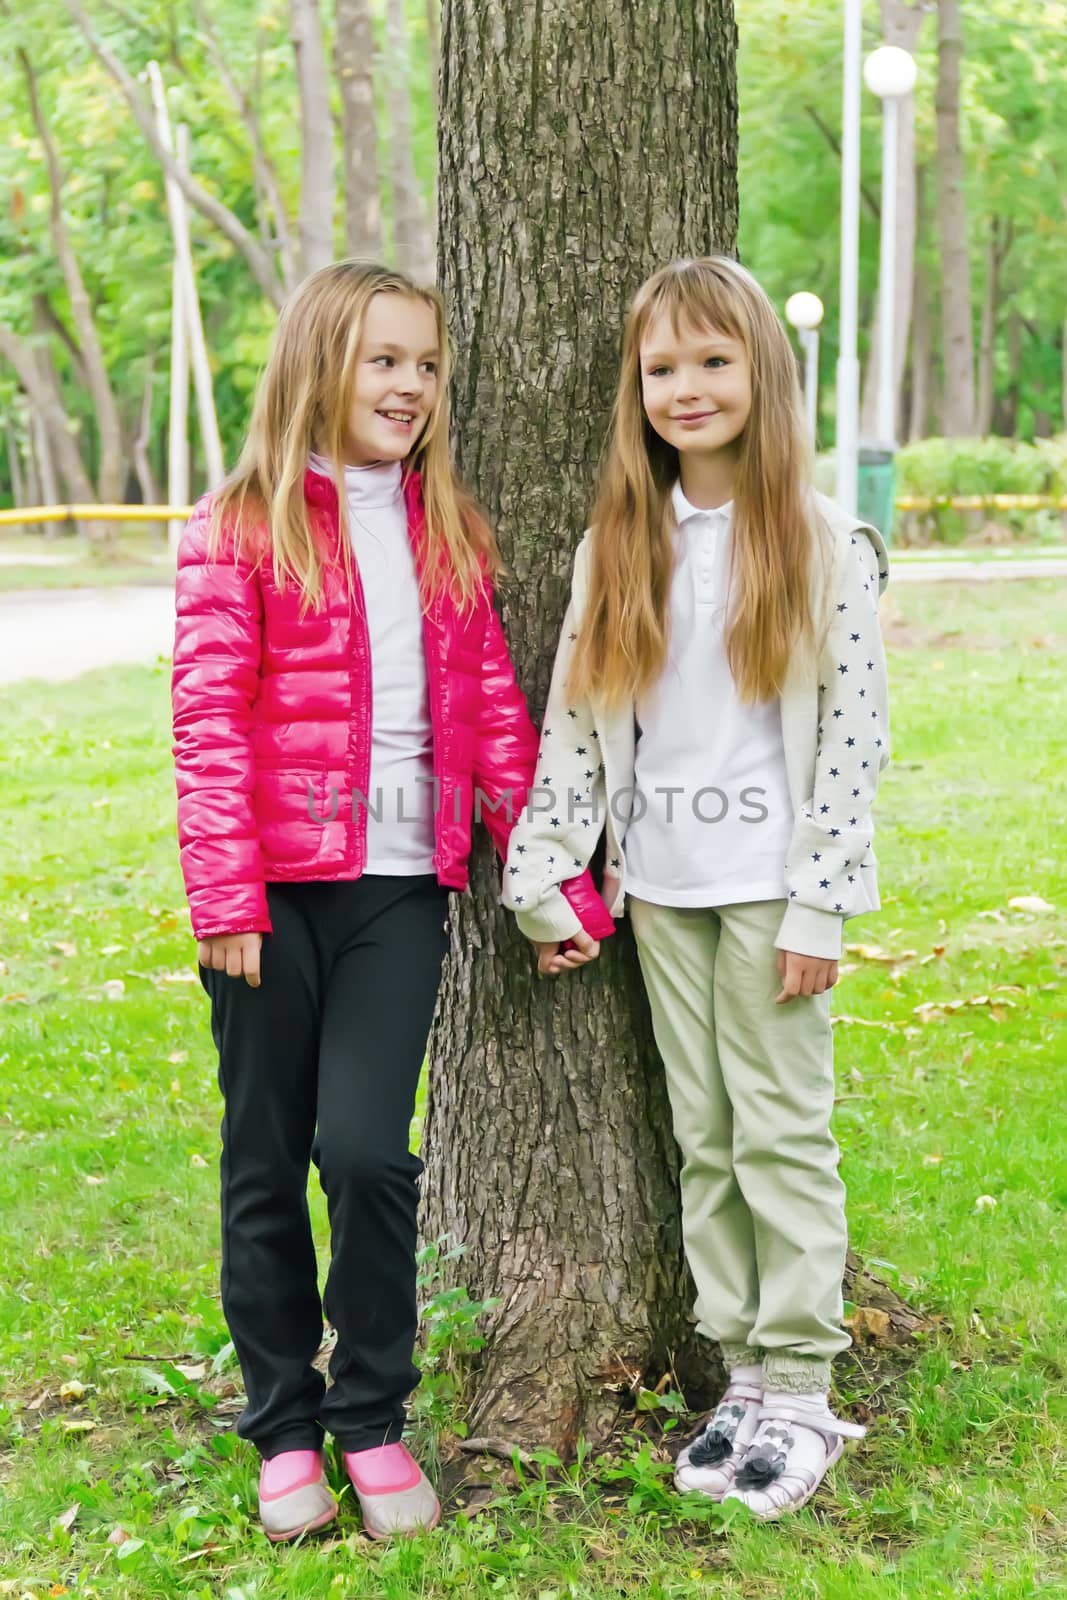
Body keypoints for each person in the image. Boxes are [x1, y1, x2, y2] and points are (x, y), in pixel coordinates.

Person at [171, 260, 613, 1543]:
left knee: (364, 1153)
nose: (410, 385)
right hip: (264, 901)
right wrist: (224, 894)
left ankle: (370, 1414)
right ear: (319, 361)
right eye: (384, 360)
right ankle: (280, 1425)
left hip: (393, 894)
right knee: (263, 1161)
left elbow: (491, 715)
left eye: (426, 364)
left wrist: (552, 876)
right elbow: (207, 726)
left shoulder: (447, 529)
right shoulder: (237, 524)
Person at [501, 256, 889, 1520]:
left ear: (760, 373)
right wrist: (542, 871)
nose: (684, 387)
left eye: (711, 360)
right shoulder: (618, 541)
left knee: (780, 1132)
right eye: (659, 367)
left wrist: (824, 898)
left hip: (772, 891)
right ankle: (741, 1373)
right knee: (705, 1141)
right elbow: (574, 716)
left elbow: (852, 735)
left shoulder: (822, 538)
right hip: (662, 889)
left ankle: (806, 1387)